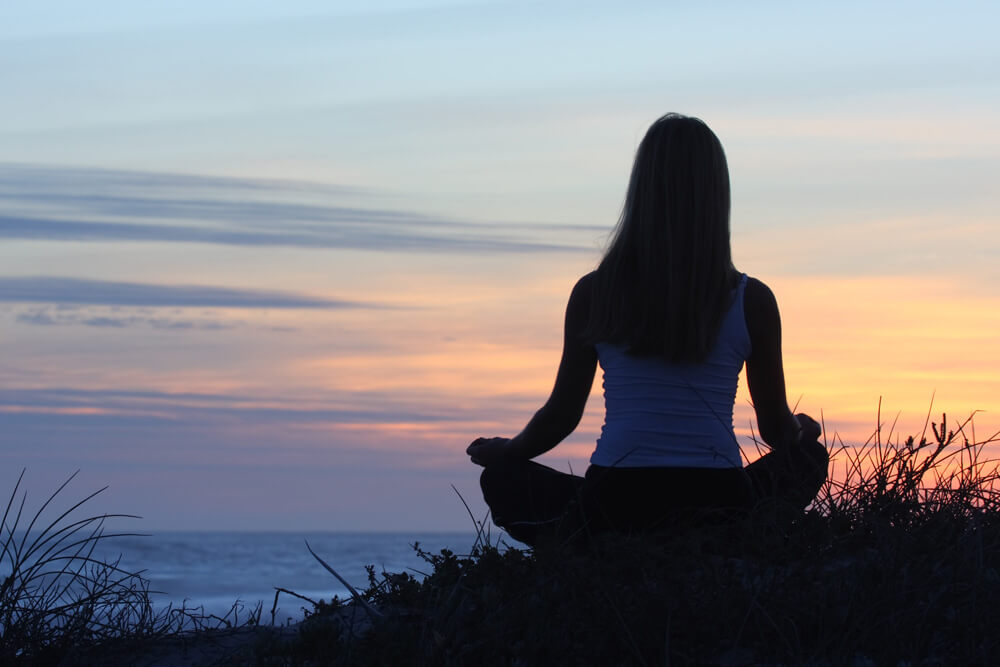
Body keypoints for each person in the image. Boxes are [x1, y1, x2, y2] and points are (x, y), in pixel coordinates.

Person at [467, 113, 829, 547]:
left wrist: (505, 453)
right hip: (720, 507)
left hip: (612, 506)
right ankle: (720, 553)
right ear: (718, 194)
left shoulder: (594, 293)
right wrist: (801, 431)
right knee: (808, 459)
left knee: (503, 479)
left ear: (642, 190)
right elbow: (775, 430)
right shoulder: (753, 300)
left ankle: (587, 556)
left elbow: (561, 418)